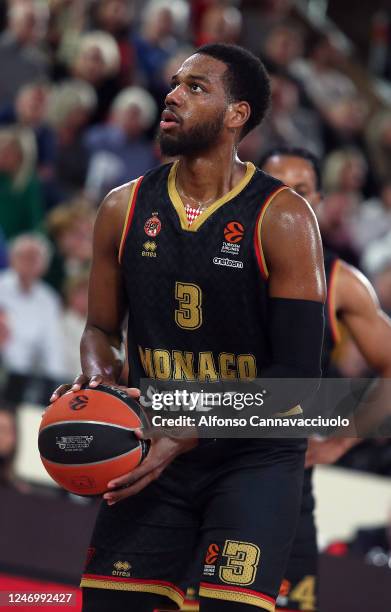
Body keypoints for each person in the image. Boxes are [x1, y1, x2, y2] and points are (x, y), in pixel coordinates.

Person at [51, 44, 326, 611]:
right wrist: (99, 384)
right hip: (151, 444)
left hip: (251, 457)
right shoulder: (122, 208)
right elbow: (100, 328)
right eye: (175, 83)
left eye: (197, 87)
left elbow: (297, 379)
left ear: (236, 115)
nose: (172, 95)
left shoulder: (283, 218)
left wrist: (191, 430)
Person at [260, 146, 391, 612]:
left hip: (286, 482)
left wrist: (341, 440)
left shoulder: (339, 280)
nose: (289, 201)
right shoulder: (216, 259)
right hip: (198, 464)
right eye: (276, 189)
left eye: (301, 191)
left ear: (317, 201)